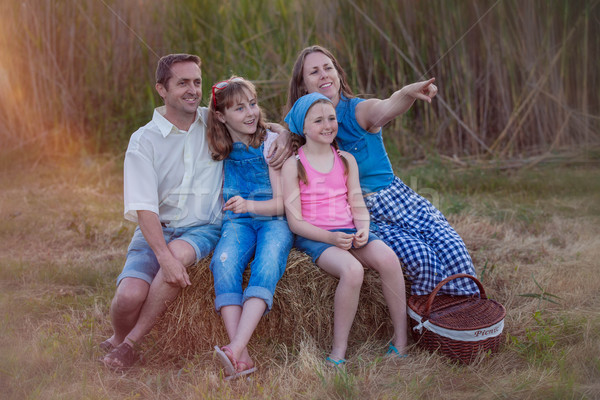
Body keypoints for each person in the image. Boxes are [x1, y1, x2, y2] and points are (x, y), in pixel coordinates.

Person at [100, 54, 291, 370]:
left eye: (197, 82)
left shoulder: (211, 120)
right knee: (128, 298)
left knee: (176, 255)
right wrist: (162, 257)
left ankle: (129, 345)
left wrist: (281, 131)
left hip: (204, 227)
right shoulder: (143, 141)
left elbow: (249, 117)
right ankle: (119, 337)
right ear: (162, 89)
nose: (192, 90)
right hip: (156, 227)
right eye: (182, 83)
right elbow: (144, 208)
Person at [285, 45, 479, 297]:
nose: (323, 75)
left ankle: (467, 311)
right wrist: (281, 136)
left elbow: (387, 106)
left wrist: (407, 92)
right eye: (314, 72)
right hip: (362, 211)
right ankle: (430, 317)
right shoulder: (300, 128)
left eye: (328, 68)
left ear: (338, 74)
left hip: (395, 196)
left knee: (452, 247)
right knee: (422, 258)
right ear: (302, 86)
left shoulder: (358, 111)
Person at [282, 92, 409, 365]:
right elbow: (295, 222)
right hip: (316, 236)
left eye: (331, 118)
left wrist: (363, 228)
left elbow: (356, 203)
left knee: (388, 258)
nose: (328, 125)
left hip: (349, 230)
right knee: (352, 271)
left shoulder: (345, 159)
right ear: (302, 127)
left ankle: (401, 339)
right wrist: (330, 237)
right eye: (318, 120)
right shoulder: (294, 166)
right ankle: (339, 352)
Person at [205, 76, 293, 380]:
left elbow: (283, 204)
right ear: (220, 116)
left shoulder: (269, 142)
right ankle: (241, 357)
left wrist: (250, 205)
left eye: (253, 104)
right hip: (237, 222)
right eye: (239, 108)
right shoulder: (219, 147)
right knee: (223, 263)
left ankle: (236, 347)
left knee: (267, 262)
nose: (251, 113)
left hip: (273, 220)